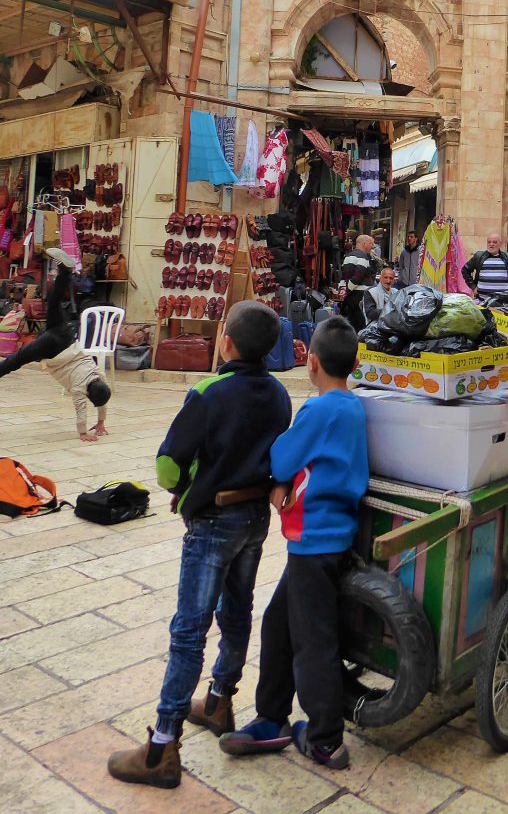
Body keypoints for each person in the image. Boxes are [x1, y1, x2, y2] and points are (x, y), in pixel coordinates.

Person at [107, 300, 292, 789]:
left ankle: (162, 747)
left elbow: (169, 463)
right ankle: (218, 700)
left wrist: (184, 487)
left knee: (189, 629)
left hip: (213, 520)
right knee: (237, 612)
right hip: (255, 519)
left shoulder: (209, 393)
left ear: (226, 341)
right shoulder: (278, 394)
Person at [219, 316, 368, 770]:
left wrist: (279, 479)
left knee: (313, 640)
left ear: (312, 362)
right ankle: (271, 718)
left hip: (313, 539)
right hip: (334, 535)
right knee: (278, 622)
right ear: (355, 363)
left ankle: (325, 739)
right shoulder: (354, 406)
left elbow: (282, 456)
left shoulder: (319, 410)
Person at [0, 247, 112, 442]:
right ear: (89, 394)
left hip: (67, 338)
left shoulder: (100, 376)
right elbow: (81, 409)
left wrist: (101, 422)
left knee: (54, 304)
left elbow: (103, 397)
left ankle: (65, 272)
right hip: (52, 350)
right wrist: (83, 433)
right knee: (12, 363)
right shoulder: (81, 389)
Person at [461, 233, 508, 299]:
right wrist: (473, 287)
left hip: (503, 301)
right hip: (482, 299)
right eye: (489, 242)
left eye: (494, 242)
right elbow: (465, 270)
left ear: (500, 244)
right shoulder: (478, 256)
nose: (491, 244)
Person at [340, 233, 376, 332]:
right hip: (360, 295)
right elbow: (357, 277)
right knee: (361, 326)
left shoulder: (348, 256)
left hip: (351, 296)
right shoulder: (363, 257)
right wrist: (347, 290)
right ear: (364, 243)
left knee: (353, 324)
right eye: (370, 243)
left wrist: (343, 290)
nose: (371, 246)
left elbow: (344, 277)